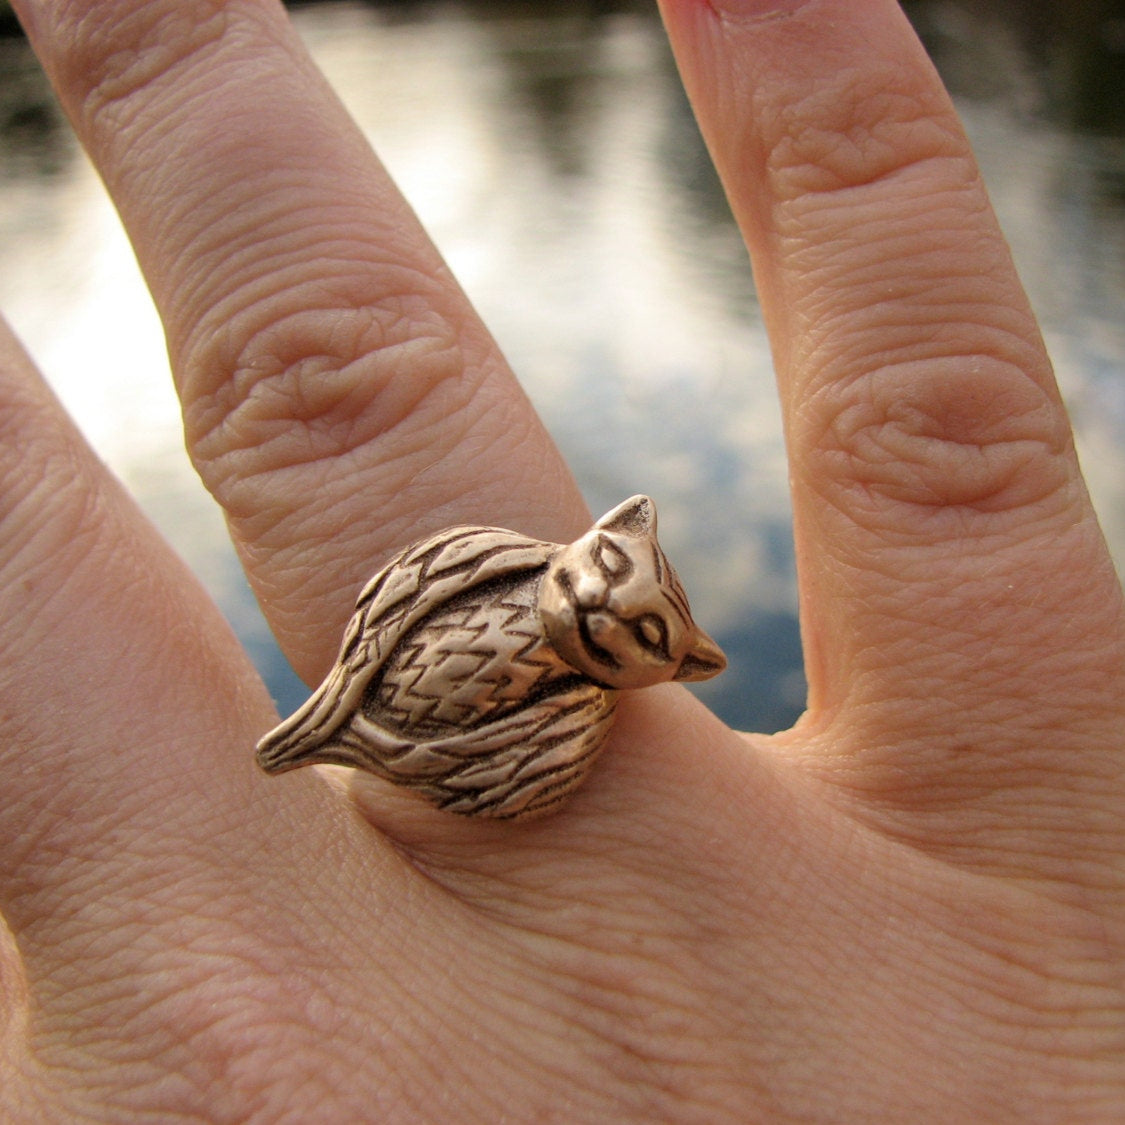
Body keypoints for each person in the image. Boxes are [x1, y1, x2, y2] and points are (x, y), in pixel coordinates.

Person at [1, 0, 1122, 1120]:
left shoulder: (577, 719)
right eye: (606, 584)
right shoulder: (501, 581)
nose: (593, 609)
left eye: (630, 634)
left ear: (658, 668)